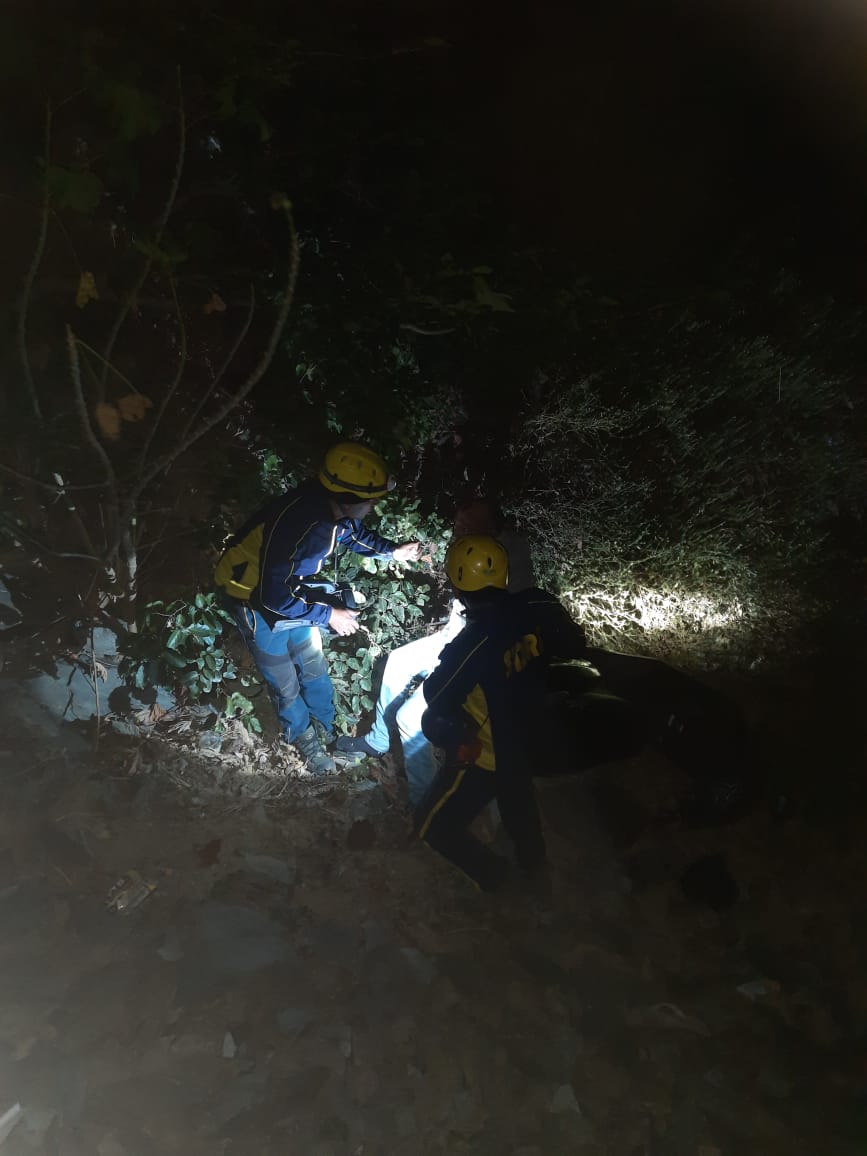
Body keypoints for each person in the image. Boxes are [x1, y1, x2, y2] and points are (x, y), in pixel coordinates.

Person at [214, 441, 421, 774]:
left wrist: (392, 552)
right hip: (252, 599)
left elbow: (352, 534)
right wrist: (329, 615)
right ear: (349, 498)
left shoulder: (331, 508)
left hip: (291, 593)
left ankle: (325, 725)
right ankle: (303, 736)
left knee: (313, 665)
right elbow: (272, 597)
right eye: (370, 500)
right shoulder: (301, 523)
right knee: (284, 680)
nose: (373, 506)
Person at [414, 535, 590, 891]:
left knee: (431, 826)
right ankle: (534, 868)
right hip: (533, 733)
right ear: (505, 574)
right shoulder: (537, 602)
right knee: (519, 806)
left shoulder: (474, 643)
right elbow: (574, 642)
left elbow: (436, 695)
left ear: (458, 587)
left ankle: (497, 878)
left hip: (492, 755)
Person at [334, 499, 536, 806]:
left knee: (410, 718)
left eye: (468, 527)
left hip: (479, 653)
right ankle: (377, 741)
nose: (458, 533)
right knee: (397, 662)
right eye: (458, 525)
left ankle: (424, 801)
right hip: (454, 637)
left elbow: (495, 629)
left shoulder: (507, 558)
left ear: (492, 529)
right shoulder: (468, 547)